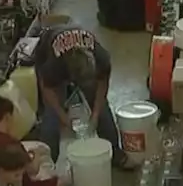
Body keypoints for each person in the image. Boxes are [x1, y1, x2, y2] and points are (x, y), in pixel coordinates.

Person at [31, 23, 128, 167]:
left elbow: (102, 84)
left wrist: (95, 115)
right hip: (46, 49)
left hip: (76, 47)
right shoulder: (54, 66)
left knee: (102, 111)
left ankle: (114, 152)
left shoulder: (101, 57)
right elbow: (47, 90)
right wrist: (64, 118)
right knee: (51, 117)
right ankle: (47, 164)